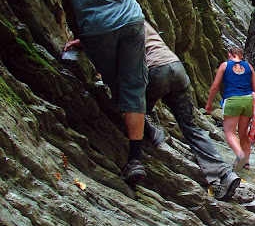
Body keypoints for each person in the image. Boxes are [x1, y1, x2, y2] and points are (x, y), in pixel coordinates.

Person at [15, 0, 148, 186]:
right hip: (132, 19)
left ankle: (138, 136)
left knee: (118, 85)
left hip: (99, 27)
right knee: (134, 86)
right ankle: (136, 158)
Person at [65, 22, 242, 200]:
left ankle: (143, 146)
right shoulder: (134, 16)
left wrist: (81, 42)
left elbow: (103, 39)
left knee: (131, 109)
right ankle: (226, 174)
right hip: (176, 69)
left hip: (156, 70)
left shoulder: (114, 18)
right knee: (191, 128)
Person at [204, 47, 255, 171]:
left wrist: (209, 104)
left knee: (229, 132)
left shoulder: (224, 65)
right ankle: (246, 163)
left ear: (230, 54)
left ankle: (240, 155)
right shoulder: (249, 66)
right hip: (248, 100)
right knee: (243, 133)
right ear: (241, 55)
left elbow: (214, 86)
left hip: (232, 100)